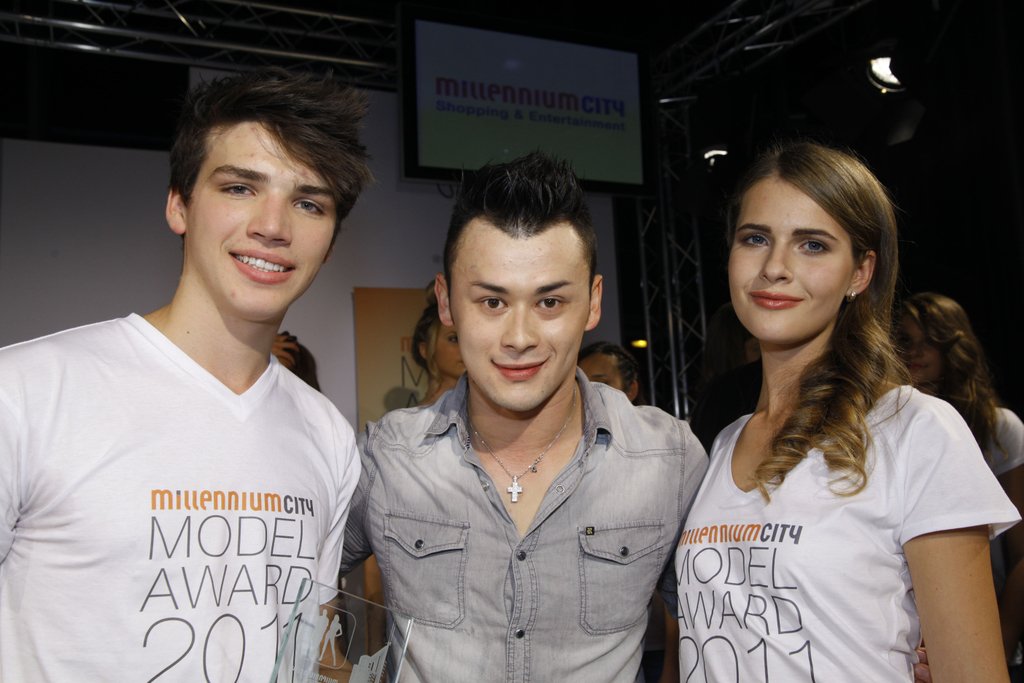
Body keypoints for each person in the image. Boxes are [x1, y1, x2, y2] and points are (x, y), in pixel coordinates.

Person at [0, 68, 371, 679]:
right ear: (179, 204)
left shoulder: (326, 432)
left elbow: (313, 650)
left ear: (329, 242)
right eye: (240, 188)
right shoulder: (28, 392)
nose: (273, 226)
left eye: (309, 203)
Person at [340, 151, 707, 682]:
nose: (519, 337)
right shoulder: (388, 457)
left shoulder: (668, 458)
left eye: (550, 303)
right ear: (446, 303)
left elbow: (714, 631)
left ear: (593, 302)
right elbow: (282, 589)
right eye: (492, 302)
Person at [675, 141, 1018, 681]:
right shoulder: (723, 445)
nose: (774, 267)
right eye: (755, 238)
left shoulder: (915, 430)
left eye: (812, 245)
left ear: (860, 273)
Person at [898, 291, 1024, 671]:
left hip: (982, 632)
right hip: (904, 642)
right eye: (906, 340)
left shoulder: (999, 428)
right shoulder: (882, 428)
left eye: (928, 341)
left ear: (952, 345)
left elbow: (1021, 555)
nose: (915, 352)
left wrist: (1002, 641)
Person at [411, 286, 465, 404]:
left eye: (468, 340)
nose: (465, 348)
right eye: (454, 339)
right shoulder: (404, 417)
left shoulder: (493, 412)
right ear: (425, 349)